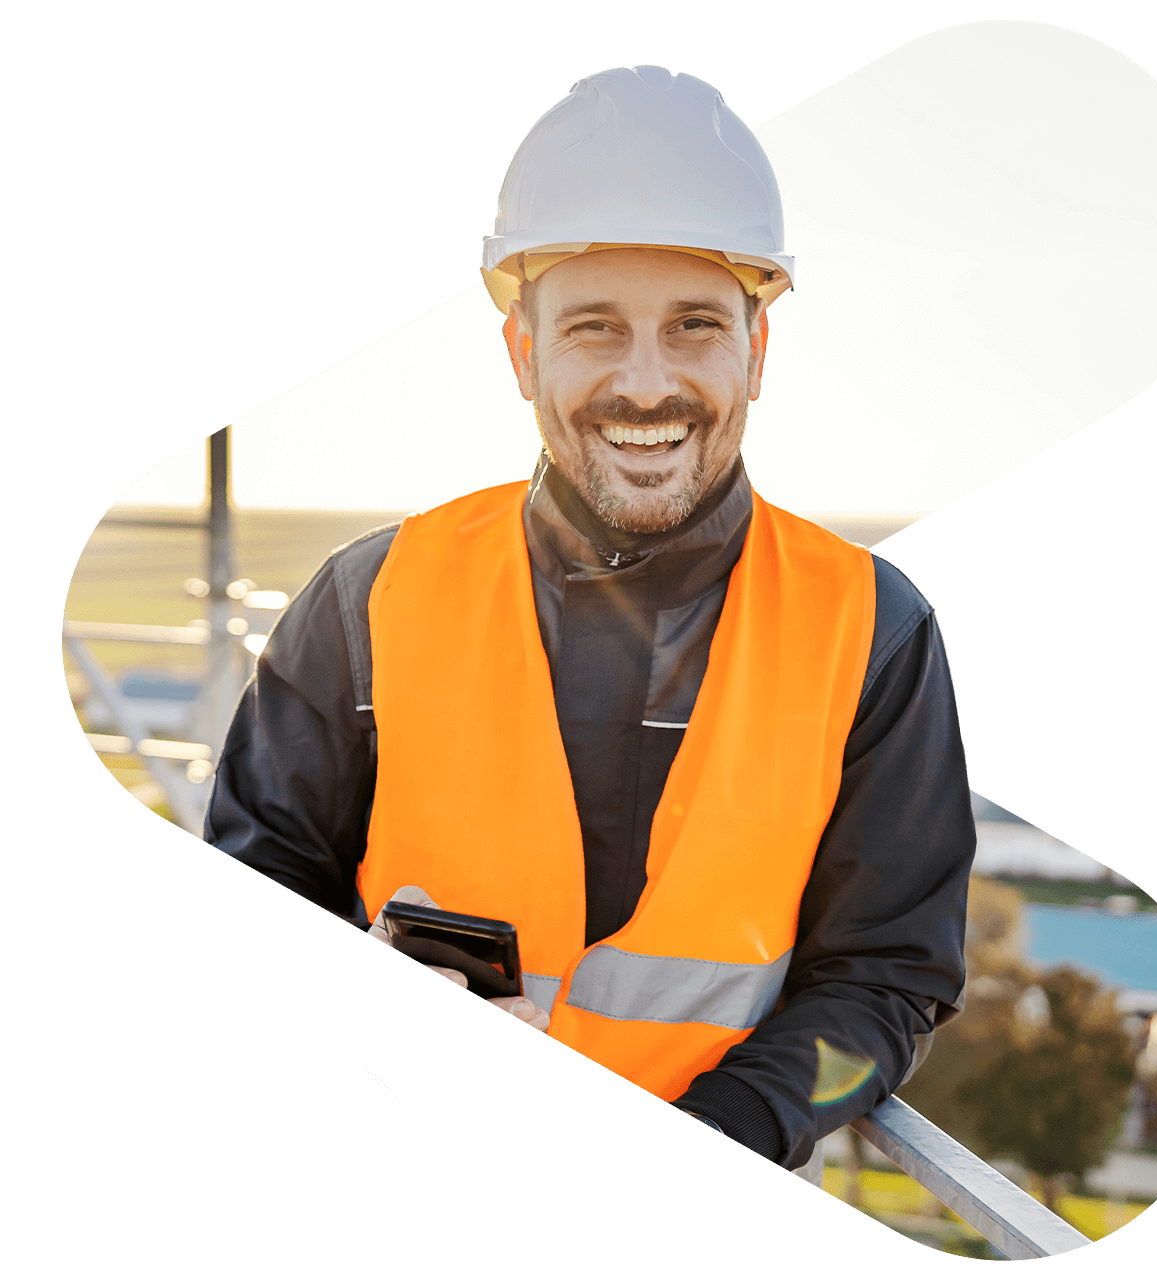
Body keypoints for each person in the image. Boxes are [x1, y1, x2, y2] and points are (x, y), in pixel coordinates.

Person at [204, 64, 976, 1185]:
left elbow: (886, 982)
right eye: (596, 326)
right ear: (524, 355)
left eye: (695, 325)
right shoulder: (365, 597)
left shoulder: (875, 632)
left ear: (757, 352)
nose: (646, 383)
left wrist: (737, 1123)